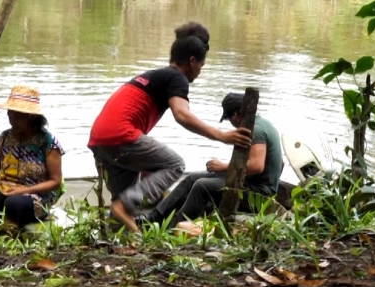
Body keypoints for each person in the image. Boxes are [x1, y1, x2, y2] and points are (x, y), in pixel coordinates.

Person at [88, 23, 252, 232]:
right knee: (175, 165)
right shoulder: (177, 78)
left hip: (100, 139)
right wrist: (222, 135)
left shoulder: (157, 75)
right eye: (201, 66)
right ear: (192, 61)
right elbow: (182, 115)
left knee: (125, 203)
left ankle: (123, 242)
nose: (200, 72)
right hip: (121, 134)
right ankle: (121, 209)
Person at [139, 91, 284, 227]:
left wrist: (223, 167)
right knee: (192, 178)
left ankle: (173, 227)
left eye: (228, 119)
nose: (231, 124)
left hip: (258, 195)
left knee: (202, 186)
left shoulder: (257, 130)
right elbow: (281, 164)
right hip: (247, 182)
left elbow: (257, 166)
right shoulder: (263, 123)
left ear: (234, 115)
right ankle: (153, 217)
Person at [0, 85, 64, 227]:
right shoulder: (5, 137)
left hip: (37, 196)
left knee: (13, 204)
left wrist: (24, 190)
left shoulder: (48, 142)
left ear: (31, 117)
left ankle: (9, 235)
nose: (11, 117)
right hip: (6, 188)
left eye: (17, 114)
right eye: (10, 112)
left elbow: (56, 181)